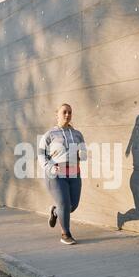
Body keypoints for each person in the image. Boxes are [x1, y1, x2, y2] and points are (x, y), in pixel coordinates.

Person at [38, 103, 87, 245]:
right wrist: (50, 168)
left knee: (72, 206)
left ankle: (55, 212)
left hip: (74, 174)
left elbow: (83, 152)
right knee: (65, 204)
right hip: (56, 175)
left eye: (70, 112)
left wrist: (82, 154)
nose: (67, 115)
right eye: (64, 112)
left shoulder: (78, 134)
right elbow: (41, 155)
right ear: (57, 114)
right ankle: (65, 234)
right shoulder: (49, 135)